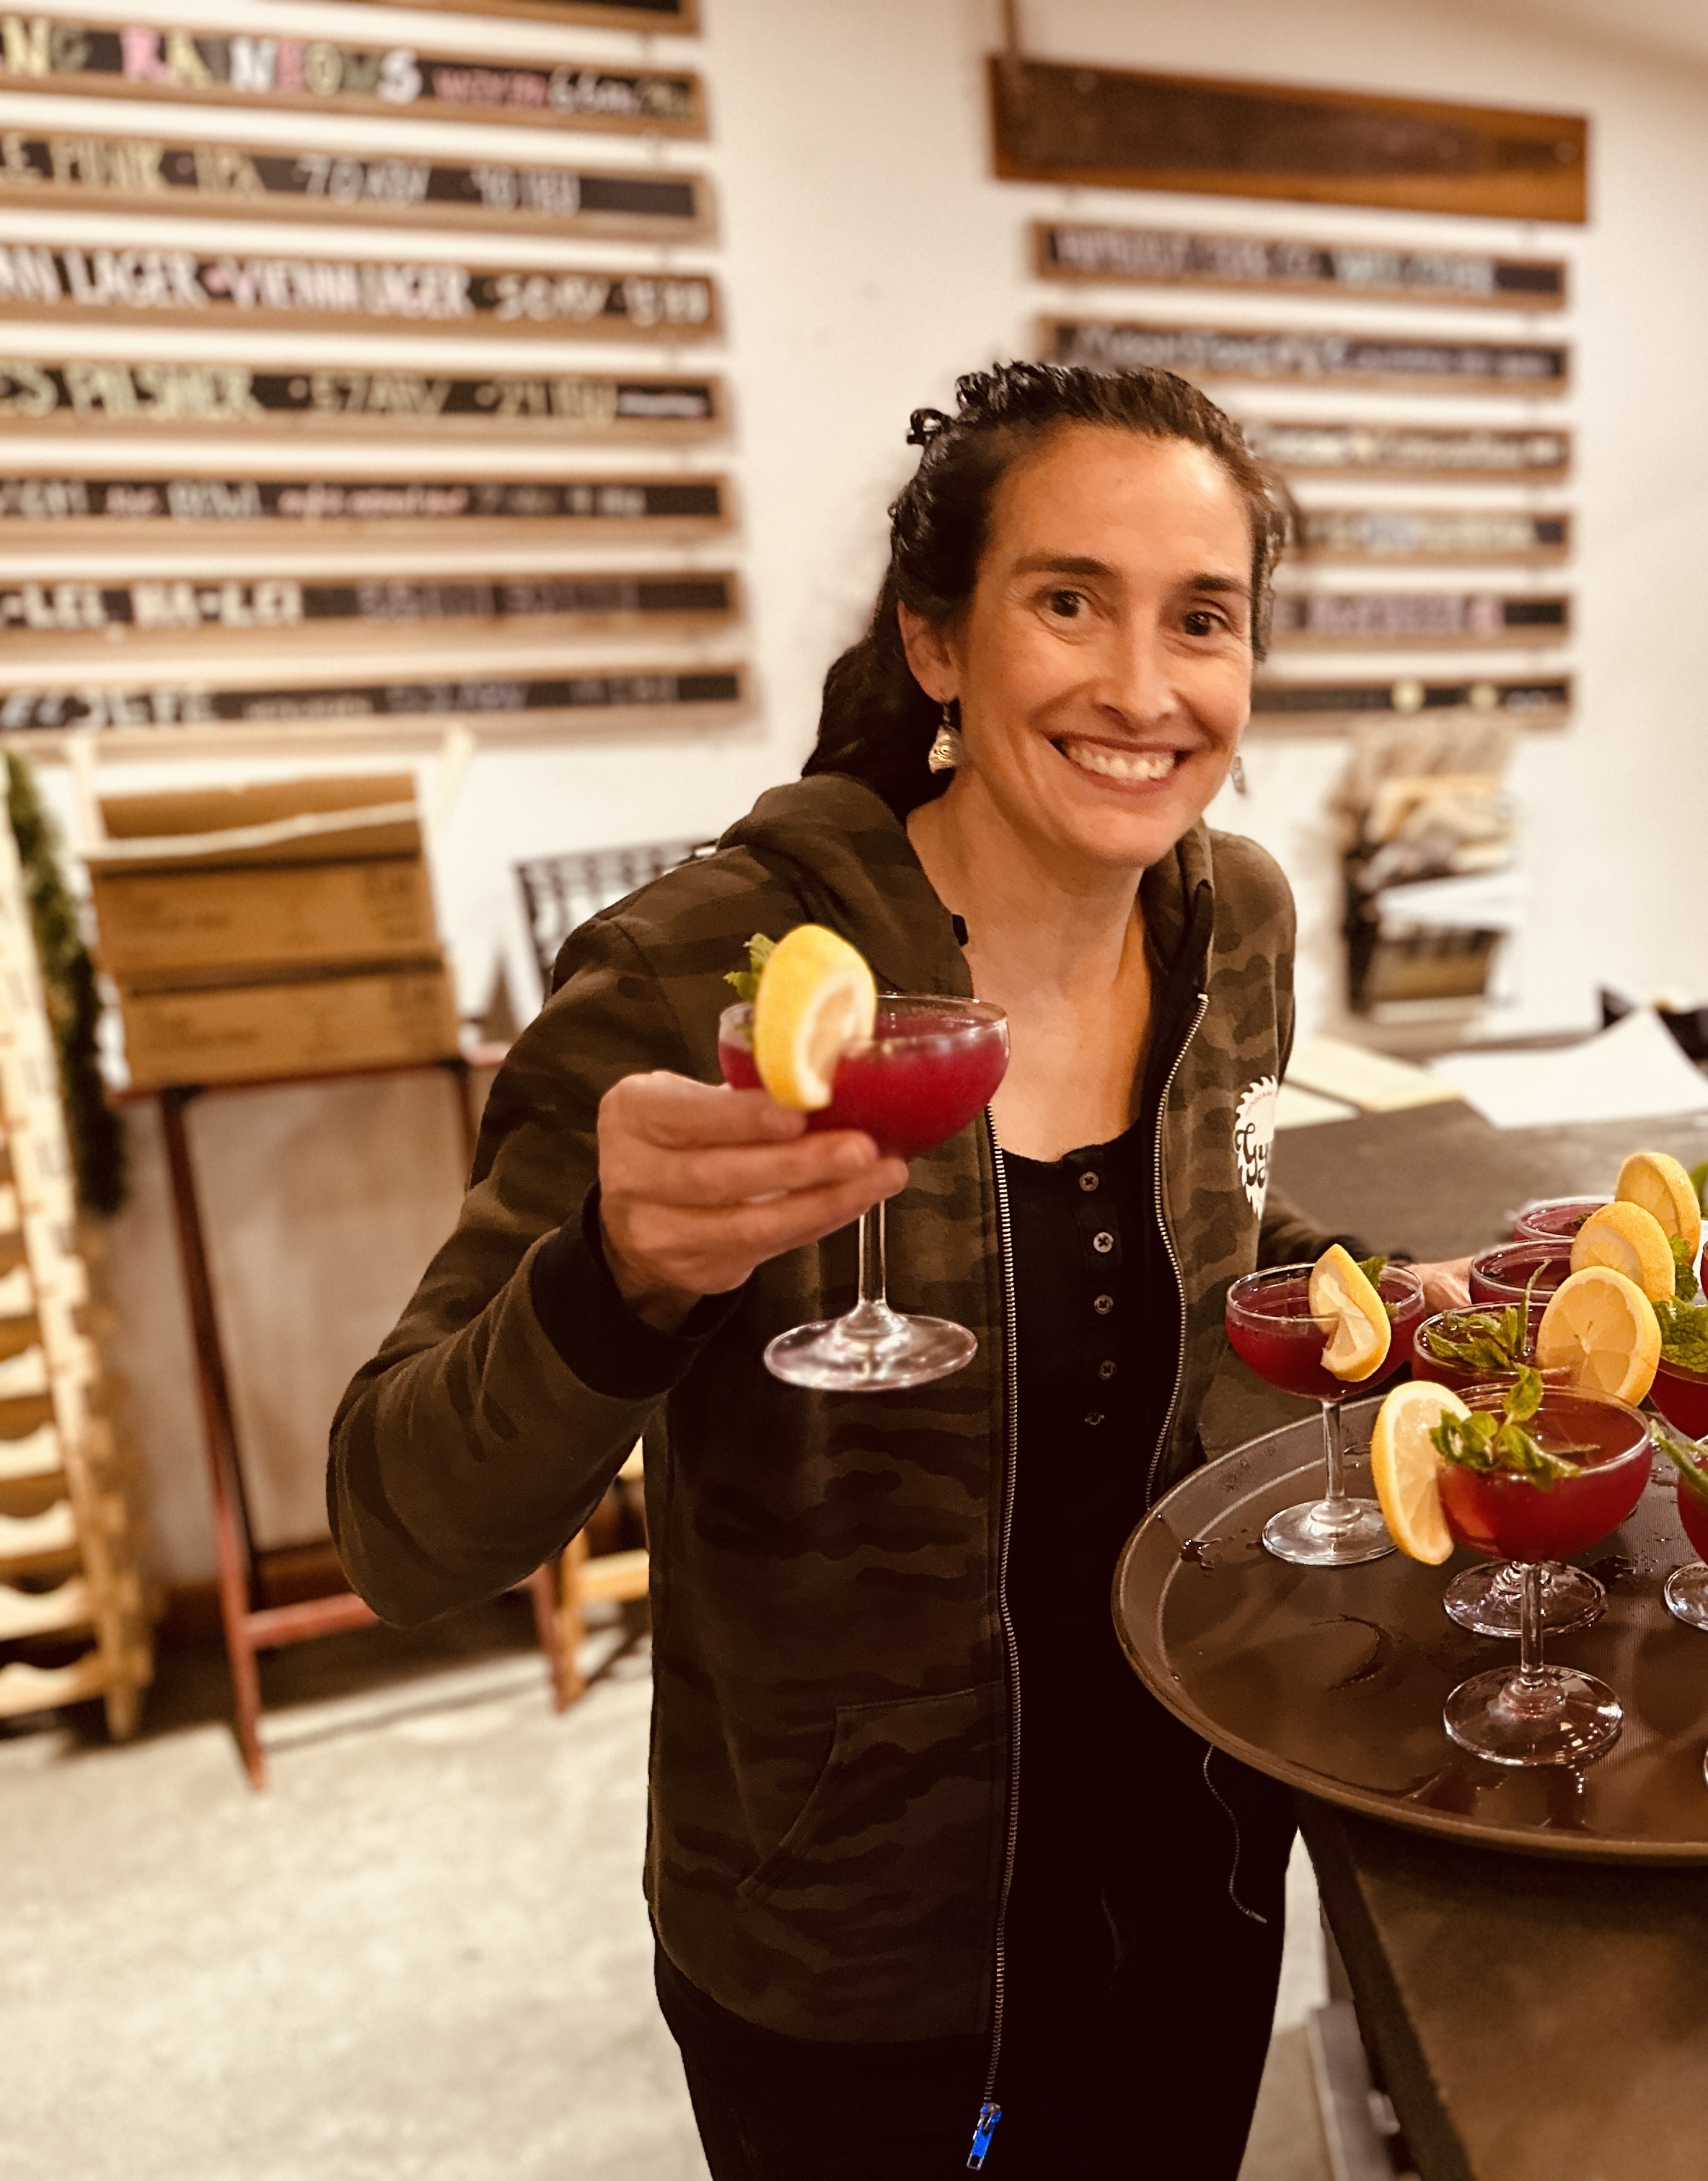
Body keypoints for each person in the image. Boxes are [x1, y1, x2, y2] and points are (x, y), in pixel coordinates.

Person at [330, 361, 1469, 2179]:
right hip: (849, 1945)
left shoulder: (1232, 917)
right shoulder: (705, 972)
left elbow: (1187, 1249)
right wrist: (615, 1278)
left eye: (1203, 619)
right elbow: (403, 1530)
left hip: (1196, 1858)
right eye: (1069, 601)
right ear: (937, 641)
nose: (1144, 687)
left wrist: (1395, 1307)